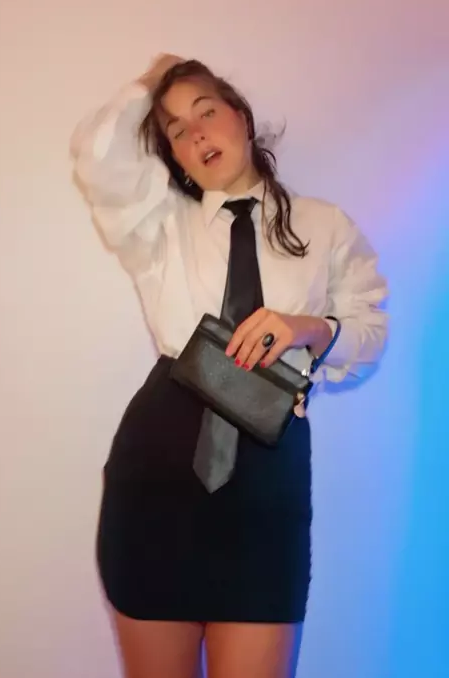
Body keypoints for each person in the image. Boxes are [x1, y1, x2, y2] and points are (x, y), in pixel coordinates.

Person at [70, 54, 388, 678]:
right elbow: (97, 157)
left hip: (266, 490)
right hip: (156, 484)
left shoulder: (324, 226)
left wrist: (309, 328)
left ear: (240, 116)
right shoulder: (159, 225)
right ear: (174, 157)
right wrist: (151, 80)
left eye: (207, 112)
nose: (197, 134)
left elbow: (371, 331)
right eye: (177, 131)